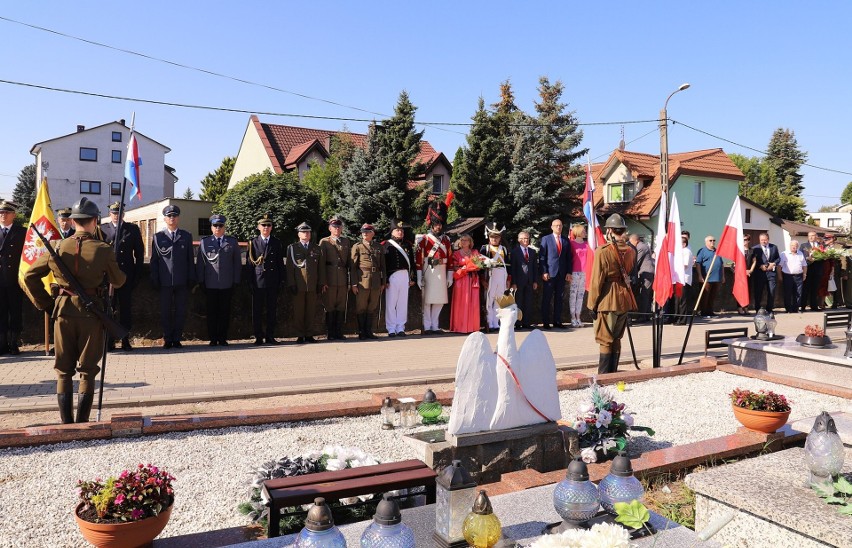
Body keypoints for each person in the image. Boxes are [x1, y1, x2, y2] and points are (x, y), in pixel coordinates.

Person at [22, 197, 125, 424]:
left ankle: (66, 423)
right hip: (92, 315)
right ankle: (83, 423)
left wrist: (48, 305)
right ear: (95, 221)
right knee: (87, 370)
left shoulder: (57, 246)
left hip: (63, 313)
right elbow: (118, 282)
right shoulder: (103, 249)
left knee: (63, 370)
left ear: (73, 221)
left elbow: (29, 276)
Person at [587, 214, 636, 374]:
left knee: (605, 339)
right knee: (616, 338)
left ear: (609, 231)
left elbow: (596, 281)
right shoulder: (630, 251)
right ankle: (613, 373)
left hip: (607, 299)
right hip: (624, 299)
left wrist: (591, 304)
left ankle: (603, 377)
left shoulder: (603, 251)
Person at [100, 201, 144, 351]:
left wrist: (136, 276)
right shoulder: (102, 229)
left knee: (125, 310)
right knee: (109, 309)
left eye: (119, 213)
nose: (116, 215)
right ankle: (109, 340)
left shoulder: (132, 229)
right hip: (108, 278)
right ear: (109, 214)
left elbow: (139, 254)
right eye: (113, 212)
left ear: (123, 214)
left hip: (125, 276)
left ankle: (125, 339)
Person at [150, 205, 195, 349]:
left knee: (181, 311)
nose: (172, 218)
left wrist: (191, 278)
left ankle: (177, 338)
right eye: (169, 216)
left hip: (182, 281)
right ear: (164, 219)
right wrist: (155, 278)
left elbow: (190, 259)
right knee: (165, 312)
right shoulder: (158, 237)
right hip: (164, 281)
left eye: (174, 216)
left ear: (178, 218)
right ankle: (167, 338)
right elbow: (154, 261)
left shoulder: (186, 236)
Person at [196, 214, 241, 346]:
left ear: (224, 227)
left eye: (220, 225)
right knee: (211, 313)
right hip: (210, 283)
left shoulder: (232, 242)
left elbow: (237, 263)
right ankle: (213, 338)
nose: (218, 228)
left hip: (227, 283)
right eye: (215, 225)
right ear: (211, 227)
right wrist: (201, 281)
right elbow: (200, 264)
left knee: (225, 312)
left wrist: (236, 281)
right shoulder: (205, 242)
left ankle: (222, 337)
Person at [415, 201, 453, 334]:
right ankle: (427, 325)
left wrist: (450, 276)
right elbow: (419, 260)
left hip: (442, 272)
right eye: (436, 224)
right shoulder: (424, 239)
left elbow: (450, 260)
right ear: (432, 224)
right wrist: (419, 277)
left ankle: (435, 325)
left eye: (440, 224)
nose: (438, 226)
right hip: (428, 270)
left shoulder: (446, 240)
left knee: (439, 300)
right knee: (427, 300)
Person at [247, 213, 284, 345]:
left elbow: (280, 263)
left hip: (272, 281)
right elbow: (250, 264)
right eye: (263, 225)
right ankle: (258, 336)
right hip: (258, 281)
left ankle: (270, 336)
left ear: (272, 227)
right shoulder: (253, 242)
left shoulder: (276, 242)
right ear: (258, 227)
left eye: (268, 225)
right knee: (257, 311)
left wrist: (281, 281)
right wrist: (250, 282)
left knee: (271, 310)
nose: (266, 227)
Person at [286, 222, 322, 343]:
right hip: (298, 284)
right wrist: (291, 283)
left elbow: (320, 268)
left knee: (311, 311)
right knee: (299, 311)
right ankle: (300, 334)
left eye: (308, 232)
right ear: (298, 234)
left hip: (312, 284)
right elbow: (290, 268)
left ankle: (309, 334)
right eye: (303, 232)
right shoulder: (292, 248)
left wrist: (320, 283)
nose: (306, 234)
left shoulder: (317, 248)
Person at [318, 216, 351, 341]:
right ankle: (330, 333)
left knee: (341, 306)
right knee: (330, 306)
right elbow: (321, 264)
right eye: (334, 227)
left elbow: (349, 262)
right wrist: (323, 281)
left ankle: (339, 332)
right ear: (330, 228)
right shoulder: (324, 241)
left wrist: (349, 280)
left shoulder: (346, 241)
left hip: (342, 278)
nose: (337, 229)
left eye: (339, 226)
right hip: (330, 279)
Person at [350, 223, 386, 340]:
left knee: (372, 306)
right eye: (363, 232)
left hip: (375, 280)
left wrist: (383, 282)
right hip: (362, 280)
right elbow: (353, 267)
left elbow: (383, 266)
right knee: (361, 307)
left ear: (373, 233)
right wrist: (354, 284)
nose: (365, 233)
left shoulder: (378, 247)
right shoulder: (357, 246)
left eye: (368, 231)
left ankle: (369, 331)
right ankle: (361, 332)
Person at [0, 200, 27, 355]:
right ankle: (2, 344)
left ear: (14, 215)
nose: (3, 215)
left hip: (15, 280)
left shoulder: (21, 232)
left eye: (7, 212)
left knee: (15, 312)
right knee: (1, 312)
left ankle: (14, 342)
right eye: (1, 213)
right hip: (0, 280)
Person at [382, 219, 414, 337]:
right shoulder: (386, 244)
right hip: (392, 276)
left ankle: (401, 327)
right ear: (392, 232)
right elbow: (383, 264)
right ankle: (391, 328)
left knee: (402, 303)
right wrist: (385, 279)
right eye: (397, 230)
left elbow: (412, 262)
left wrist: (412, 277)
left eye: (401, 230)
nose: (400, 232)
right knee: (391, 303)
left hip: (404, 275)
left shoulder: (407, 245)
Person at [539, 218, 572, 329]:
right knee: (547, 298)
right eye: (556, 225)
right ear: (552, 227)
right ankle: (546, 322)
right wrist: (544, 271)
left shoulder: (565, 240)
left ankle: (557, 321)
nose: (559, 227)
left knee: (559, 298)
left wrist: (568, 272)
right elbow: (542, 257)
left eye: (560, 225)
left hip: (561, 274)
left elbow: (568, 258)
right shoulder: (546, 239)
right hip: (549, 274)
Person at [449, 233, 482, 333]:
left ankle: (473, 327)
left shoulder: (475, 252)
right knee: (461, 302)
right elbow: (453, 267)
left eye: (466, 240)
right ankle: (459, 327)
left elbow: (479, 265)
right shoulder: (456, 254)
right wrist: (463, 268)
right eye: (462, 240)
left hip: (472, 280)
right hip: (461, 280)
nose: (464, 242)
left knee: (473, 303)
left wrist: (473, 267)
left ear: (470, 242)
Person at [480, 223, 509, 332]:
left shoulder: (504, 249)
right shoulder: (485, 248)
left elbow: (508, 265)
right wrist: (483, 279)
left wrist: (508, 280)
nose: (494, 239)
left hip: (502, 275)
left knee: (499, 300)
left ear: (500, 238)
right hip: (491, 276)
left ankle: (496, 323)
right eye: (492, 237)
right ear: (489, 237)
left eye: (497, 237)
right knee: (489, 300)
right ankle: (489, 322)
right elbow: (480, 266)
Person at [509, 231, 538, 330]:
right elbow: (513, 268)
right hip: (519, 281)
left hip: (529, 281)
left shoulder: (532, 252)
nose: (525, 240)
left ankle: (527, 323)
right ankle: (518, 323)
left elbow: (534, 267)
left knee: (528, 302)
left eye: (527, 238)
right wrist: (513, 282)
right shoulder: (514, 252)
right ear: (519, 240)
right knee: (518, 302)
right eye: (523, 238)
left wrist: (535, 281)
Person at [695, 235, 725, 318]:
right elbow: (698, 263)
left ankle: (710, 311)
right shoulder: (702, 251)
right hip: (706, 278)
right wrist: (700, 275)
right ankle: (703, 312)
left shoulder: (717, 251)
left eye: (714, 240)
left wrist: (723, 276)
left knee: (713, 296)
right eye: (710, 240)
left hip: (717, 278)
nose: (712, 242)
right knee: (705, 295)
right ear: (706, 242)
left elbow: (721, 264)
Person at [628, 233, 653, 324]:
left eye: (631, 242)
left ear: (636, 240)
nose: (630, 244)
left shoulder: (641, 247)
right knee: (646, 295)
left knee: (644, 294)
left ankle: (642, 316)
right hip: (646, 273)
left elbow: (635, 261)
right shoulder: (643, 246)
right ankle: (646, 315)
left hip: (646, 273)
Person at [752, 232, 781, 314]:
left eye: (765, 240)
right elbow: (753, 261)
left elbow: (778, 258)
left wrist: (773, 263)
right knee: (758, 292)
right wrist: (760, 266)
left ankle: (769, 309)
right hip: (760, 274)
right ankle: (757, 309)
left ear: (768, 239)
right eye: (762, 240)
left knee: (772, 291)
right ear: (759, 240)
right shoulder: (755, 248)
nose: (763, 241)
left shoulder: (774, 247)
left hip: (771, 274)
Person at [779, 239, 807, 313]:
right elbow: (779, 266)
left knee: (798, 293)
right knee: (788, 293)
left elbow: (804, 265)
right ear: (789, 246)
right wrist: (780, 276)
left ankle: (796, 308)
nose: (793, 247)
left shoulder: (801, 253)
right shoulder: (784, 254)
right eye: (792, 245)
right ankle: (788, 309)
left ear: (797, 246)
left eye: (795, 245)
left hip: (799, 276)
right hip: (788, 276)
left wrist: (804, 274)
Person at [674, 232, 696, 325]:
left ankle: (682, 320)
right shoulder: (681, 252)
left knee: (682, 300)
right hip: (678, 279)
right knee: (678, 300)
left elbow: (685, 265)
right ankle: (677, 318)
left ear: (684, 244)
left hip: (684, 279)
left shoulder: (686, 251)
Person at [800, 231, 825, 311]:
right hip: (808, 269)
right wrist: (808, 259)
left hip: (817, 270)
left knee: (815, 289)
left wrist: (820, 257)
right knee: (805, 288)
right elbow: (800, 257)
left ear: (816, 236)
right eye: (809, 236)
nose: (811, 237)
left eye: (813, 235)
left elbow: (824, 257)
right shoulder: (803, 245)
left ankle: (814, 306)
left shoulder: (821, 246)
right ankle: (803, 306)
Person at [824, 234, 846, 308]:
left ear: (833, 238)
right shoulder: (824, 246)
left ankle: (835, 303)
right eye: (826, 238)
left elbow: (843, 259)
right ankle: (825, 302)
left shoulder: (839, 247)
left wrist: (843, 270)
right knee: (825, 286)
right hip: (826, 269)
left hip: (835, 269)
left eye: (829, 238)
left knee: (835, 286)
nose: (827, 239)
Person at [738, 234, 757, 315]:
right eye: (743, 239)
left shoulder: (752, 250)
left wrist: (750, 270)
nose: (744, 241)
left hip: (749, 274)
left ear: (749, 240)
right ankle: (739, 307)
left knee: (748, 291)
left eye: (746, 239)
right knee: (740, 291)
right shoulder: (739, 250)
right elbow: (735, 263)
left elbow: (754, 261)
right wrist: (743, 271)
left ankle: (746, 307)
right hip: (740, 274)